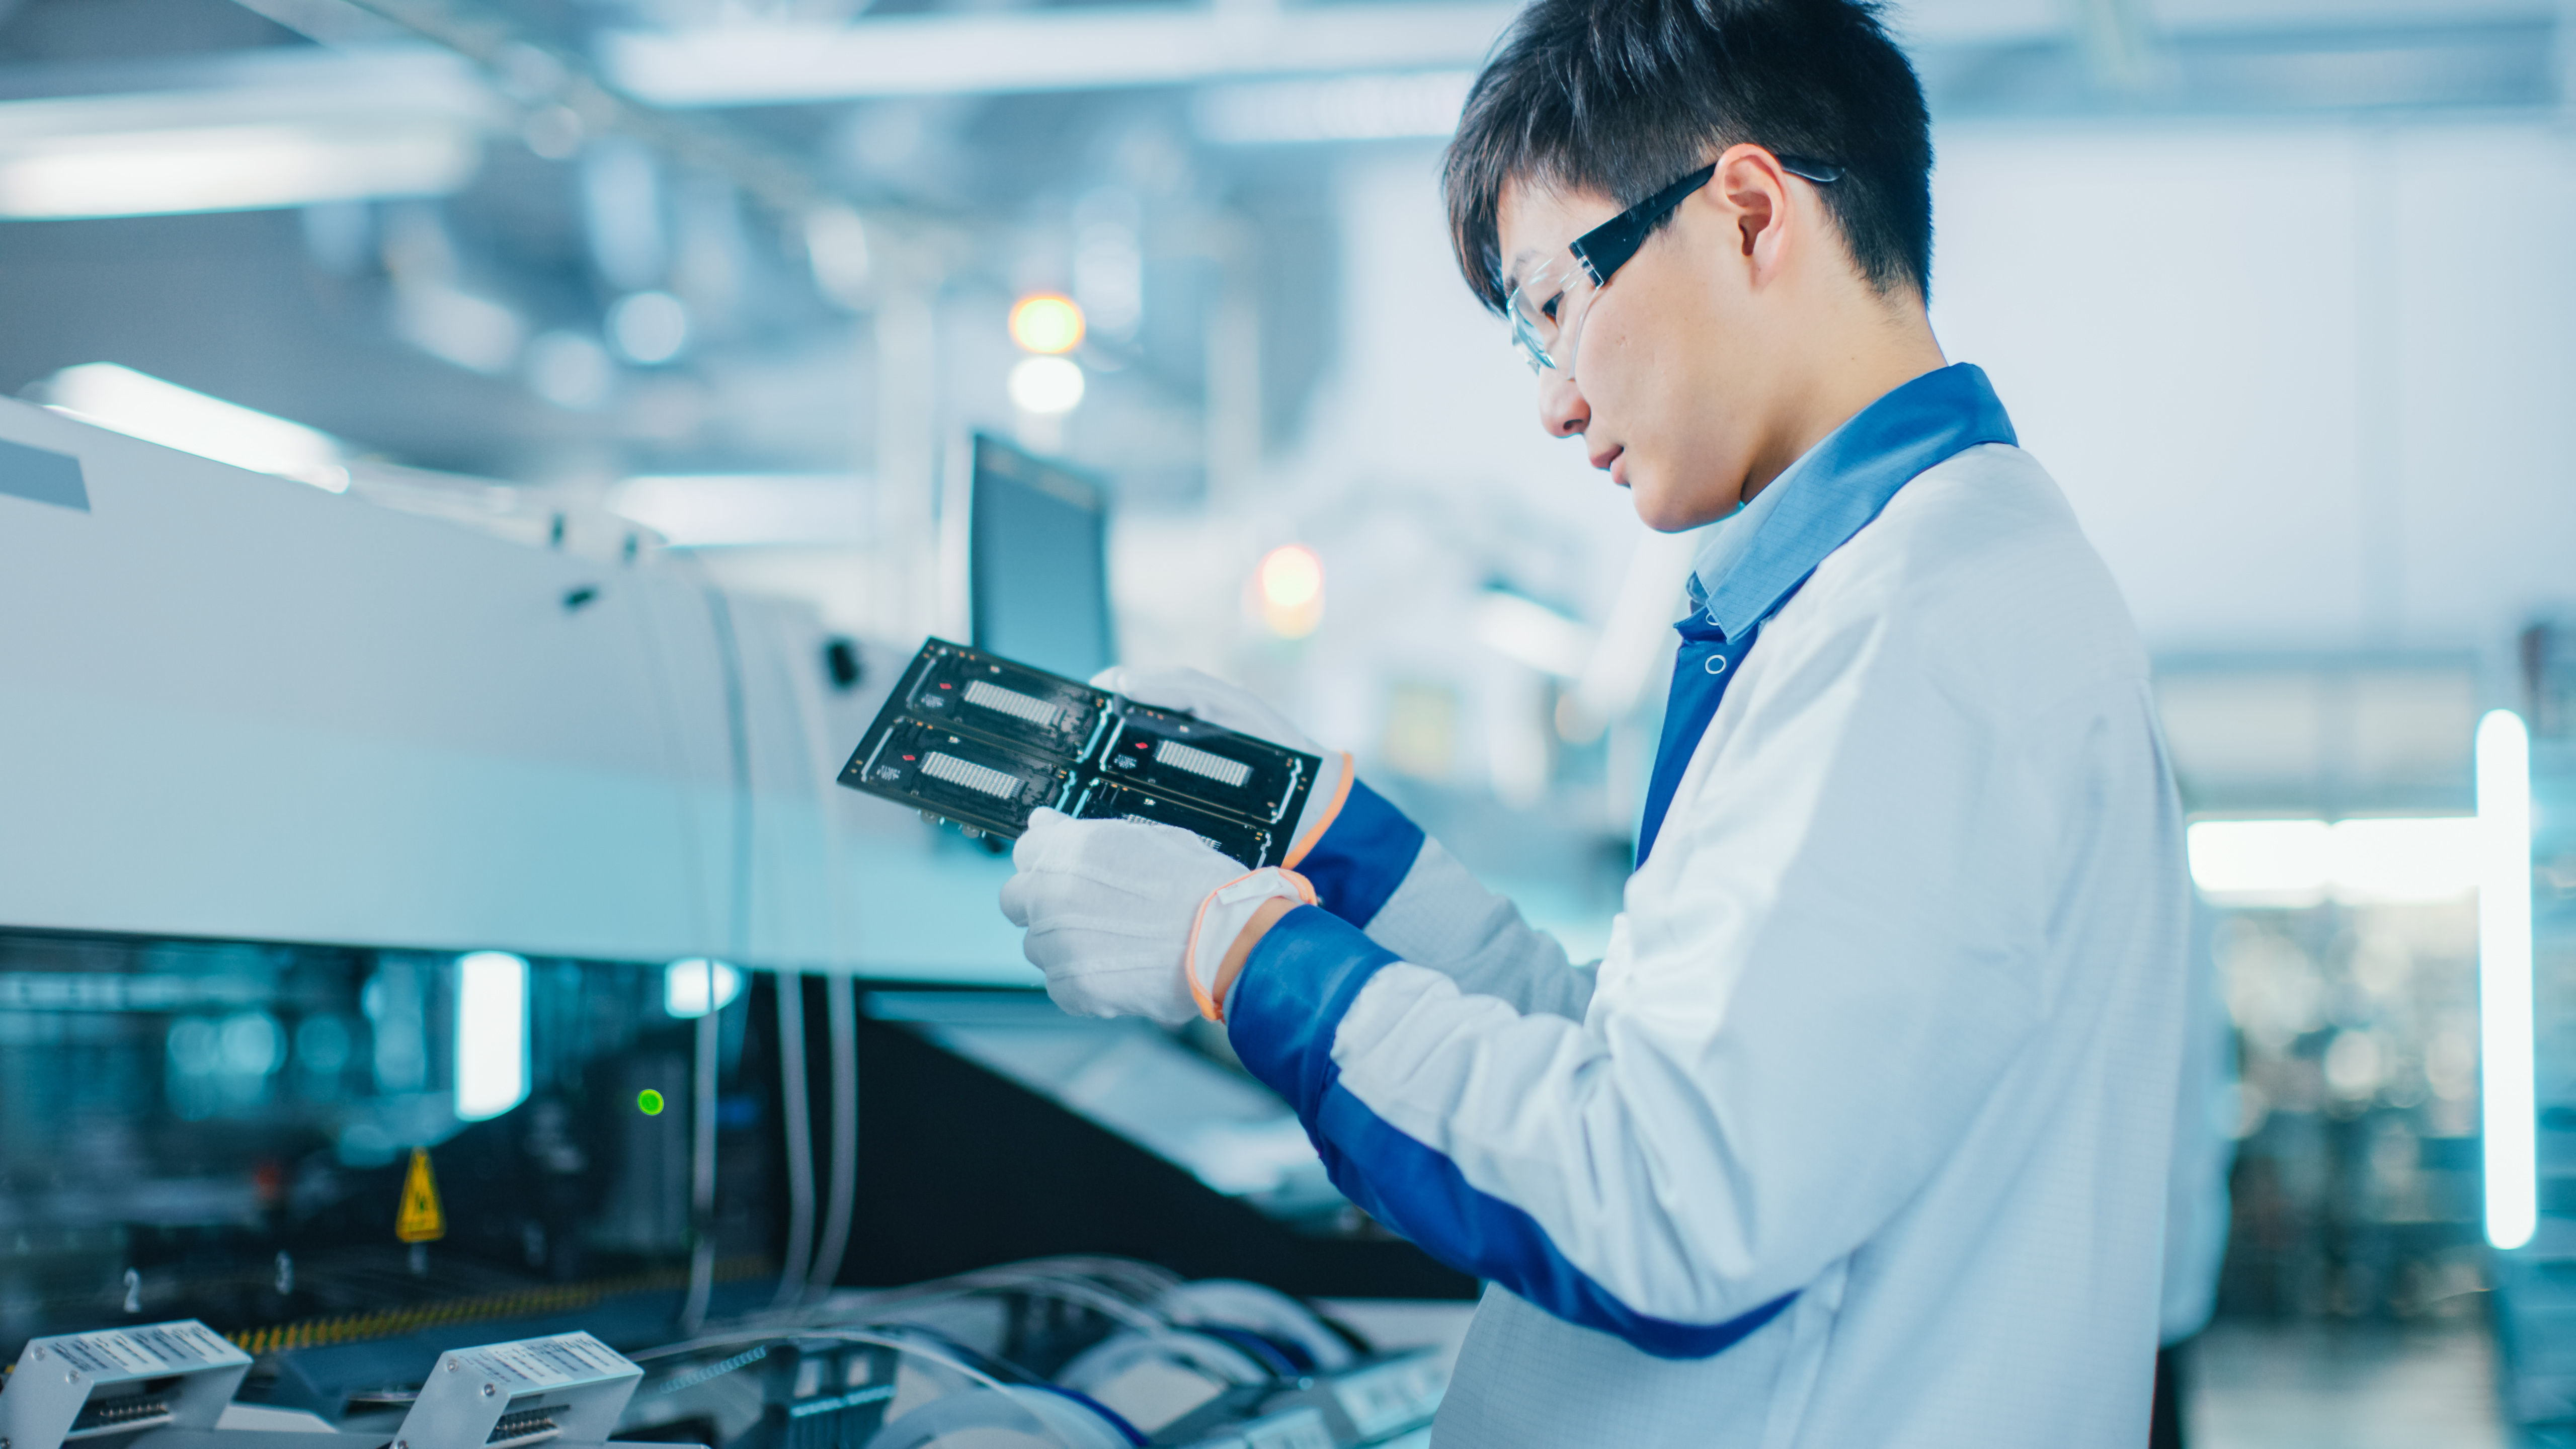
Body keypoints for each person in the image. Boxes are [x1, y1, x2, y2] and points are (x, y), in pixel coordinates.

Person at [999, 0, 2192, 1441]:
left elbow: (1673, 1201)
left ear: (1750, 213)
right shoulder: (1890, 596)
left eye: (1555, 307)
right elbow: (1657, 1075)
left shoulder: (1916, 631)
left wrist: (1237, 953)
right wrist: (1334, 838)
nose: (1556, 406)